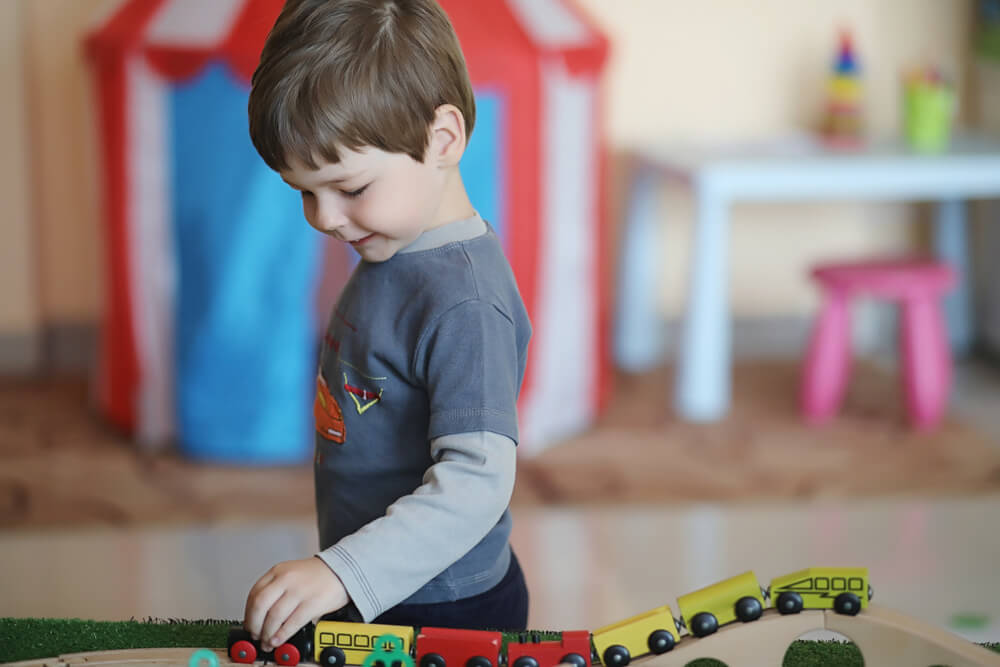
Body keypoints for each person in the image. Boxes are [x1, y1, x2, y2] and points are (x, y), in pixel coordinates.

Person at [241, 0, 532, 653]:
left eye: (349, 186)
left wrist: (342, 571)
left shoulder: (464, 301)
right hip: (381, 586)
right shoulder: (391, 241)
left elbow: (478, 481)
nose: (324, 216)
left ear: (443, 139)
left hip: (448, 607)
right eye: (304, 192)